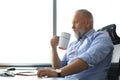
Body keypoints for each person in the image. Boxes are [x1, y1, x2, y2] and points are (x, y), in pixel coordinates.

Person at [37, 9, 114, 80]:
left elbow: (87, 60)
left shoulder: (101, 37)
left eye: (76, 22)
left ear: (87, 23)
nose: (72, 27)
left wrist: (57, 73)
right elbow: (58, 67)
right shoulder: (73, 44)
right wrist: (53, 48)